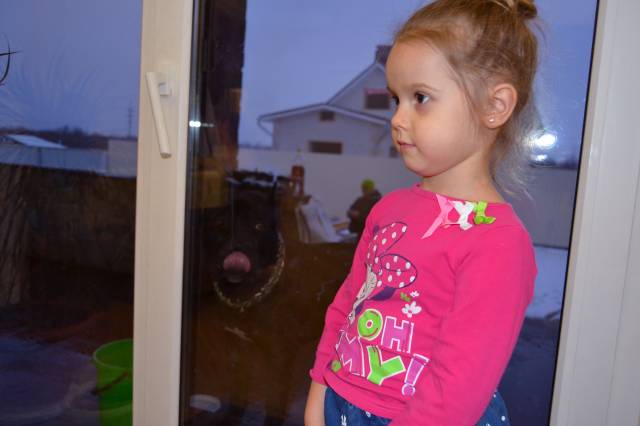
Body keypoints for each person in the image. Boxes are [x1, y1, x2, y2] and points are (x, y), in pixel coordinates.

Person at [304, 0, 540, 424]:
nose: (397, 119)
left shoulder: (498, 242)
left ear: (494, 106)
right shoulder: (389, 210)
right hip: (341, 405)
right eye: (396, 99)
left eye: (420, 98)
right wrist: (318, 392)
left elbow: (457, 387)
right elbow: (347, 307)